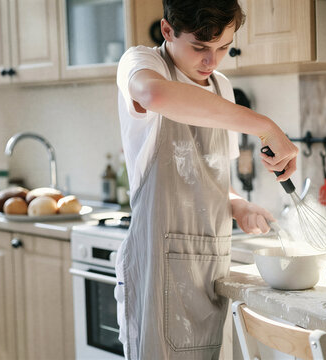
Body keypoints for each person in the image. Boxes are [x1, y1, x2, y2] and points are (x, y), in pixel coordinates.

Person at [114, 0, 298, 358]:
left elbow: (211, 176)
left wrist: (237, 204)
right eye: (200, 47)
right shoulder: (142, 63)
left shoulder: (221, 87)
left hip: (211, 269)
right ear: (167, 30)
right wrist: (265, 126)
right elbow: (155, 95)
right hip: (158, 269)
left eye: (223, 48)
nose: (211, 61)